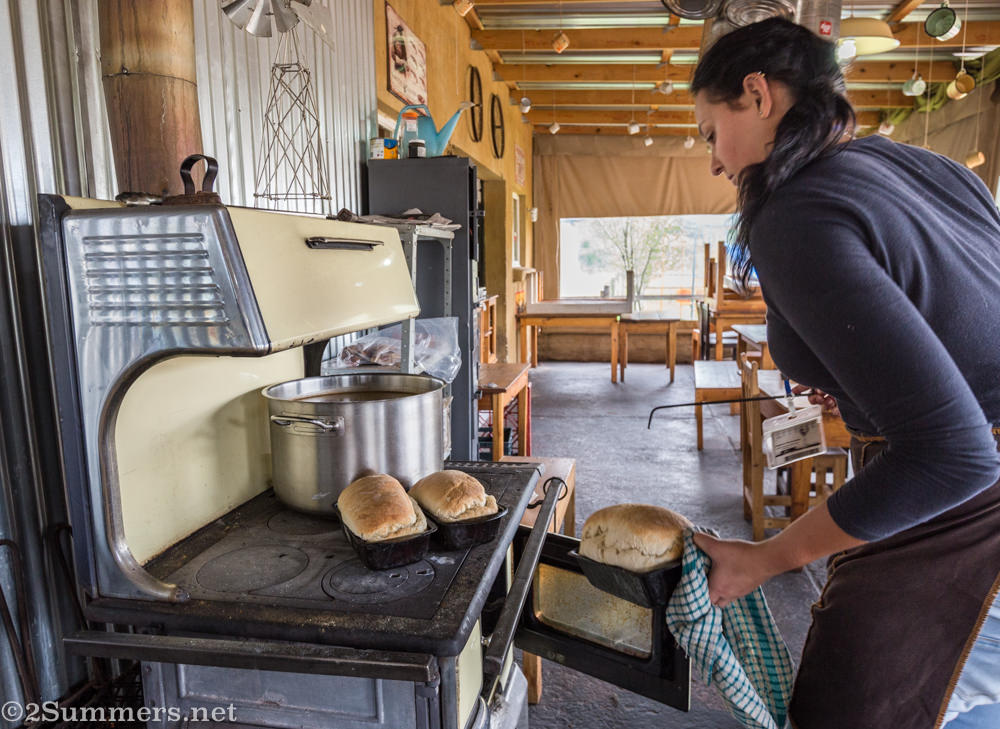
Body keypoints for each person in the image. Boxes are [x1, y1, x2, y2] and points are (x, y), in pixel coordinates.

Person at [688, 17, 1000, 729]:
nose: (714, 162)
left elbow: (953, 453)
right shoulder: (930, 167)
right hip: (962, 472)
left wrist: (768, 557)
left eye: (710, 133)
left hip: (968, 502)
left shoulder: (795, 208)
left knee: (847, 706)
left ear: (758, 94)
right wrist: (863, 381)